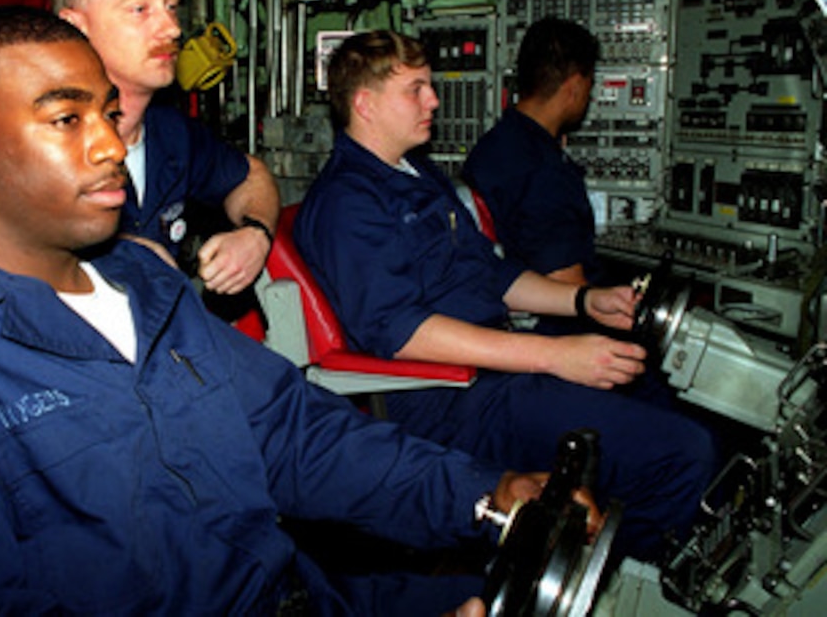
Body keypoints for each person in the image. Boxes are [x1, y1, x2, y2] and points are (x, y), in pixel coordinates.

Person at [0, 6, 557, 615]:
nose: (110, 147)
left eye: (108, 115)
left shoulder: (140, 283)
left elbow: (295, 437)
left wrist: (481, 497)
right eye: (67, 119)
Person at [294, 29, 718, 564]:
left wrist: (585, 302)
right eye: (416, 88)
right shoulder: (346, 205)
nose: (434, 100)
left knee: (660, 396)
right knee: (682, 455)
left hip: (499, 371)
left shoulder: (418, 175)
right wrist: (556, 355)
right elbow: (400, 332)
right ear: (365, 104)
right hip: (451, 400)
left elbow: (493, 276)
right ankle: (602, 589)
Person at [47, 0, 279, 297]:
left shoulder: (169, 132)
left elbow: (250, 175)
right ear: (76, 27)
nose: (172, 29)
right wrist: (117, 253)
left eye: (171, 7)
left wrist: (254, 234)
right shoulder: (31, 144)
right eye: (140, 9)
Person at [461, 17, 600, 287]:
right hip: (549, 321)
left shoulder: (497, 143)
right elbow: (566, 286)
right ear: (574, 87)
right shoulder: (544, 173)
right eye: (590, 84)